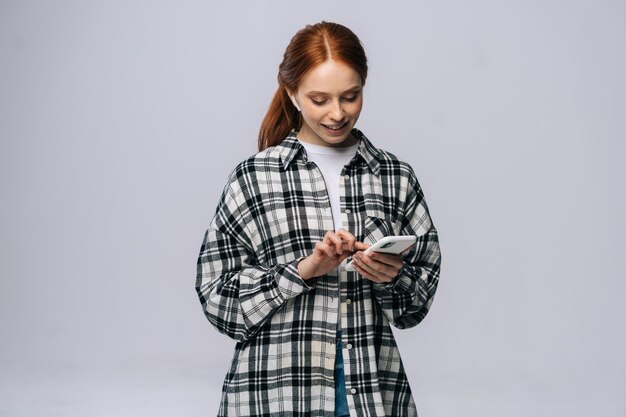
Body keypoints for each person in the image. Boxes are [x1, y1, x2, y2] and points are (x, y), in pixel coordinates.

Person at [196, 21, 441, 417]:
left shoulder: (395, 177)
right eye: (319, 99)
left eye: (351, 96)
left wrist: (389, 275)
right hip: (274, 392)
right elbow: (217, 299)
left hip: (370, 390)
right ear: (291, 93)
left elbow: (416, 305)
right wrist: (304, 269)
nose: (337, 113)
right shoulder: (254, 178)